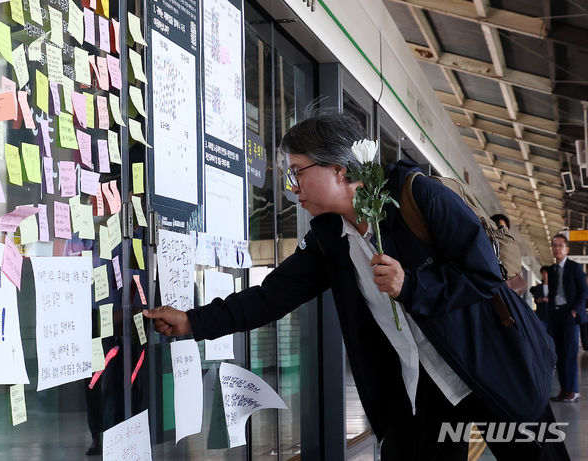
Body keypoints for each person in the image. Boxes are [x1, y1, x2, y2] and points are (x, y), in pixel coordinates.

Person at [143, 112, 565, 460]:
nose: (292, 188)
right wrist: (192, 323)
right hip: (422, 388)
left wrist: (412, 286)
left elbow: (486, 272)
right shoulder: (331, 241)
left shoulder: (419, 197)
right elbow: (271, 297)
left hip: (488, 365)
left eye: (297, 173)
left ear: (339, 170)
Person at [547, 234, 588, 403]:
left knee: (570, 354)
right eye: (554, 245)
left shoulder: (575, 268)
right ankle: (564, 390)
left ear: (567, 249)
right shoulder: (552, 270)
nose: (557, 249)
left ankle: (573, 391)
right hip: (556, 315)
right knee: (559, 354)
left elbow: (584, 292)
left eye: (560, 246)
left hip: (570, 315)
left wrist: (574, 311)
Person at [530, 266, 551, 330]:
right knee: (542, 333)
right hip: (541, 315)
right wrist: (540, 300)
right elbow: (535, 300)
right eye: (544, 273)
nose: (545, 275)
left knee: (552, 335)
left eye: (547, 273)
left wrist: (548, 300)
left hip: (552, 316)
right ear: (541, 274)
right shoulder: (538, 288)